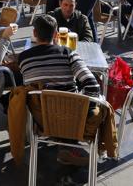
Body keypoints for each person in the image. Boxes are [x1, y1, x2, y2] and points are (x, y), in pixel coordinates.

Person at [17, 14, 103, 166]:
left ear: (35, 34)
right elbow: (92, 85)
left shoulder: (24, 58)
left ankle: (65, 146)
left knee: (42, 96)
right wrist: (84, 113)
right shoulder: (68, 53)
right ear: (56, 35)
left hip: (43, 120)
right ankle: (70, 147)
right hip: (73, 118)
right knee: (96, 99)